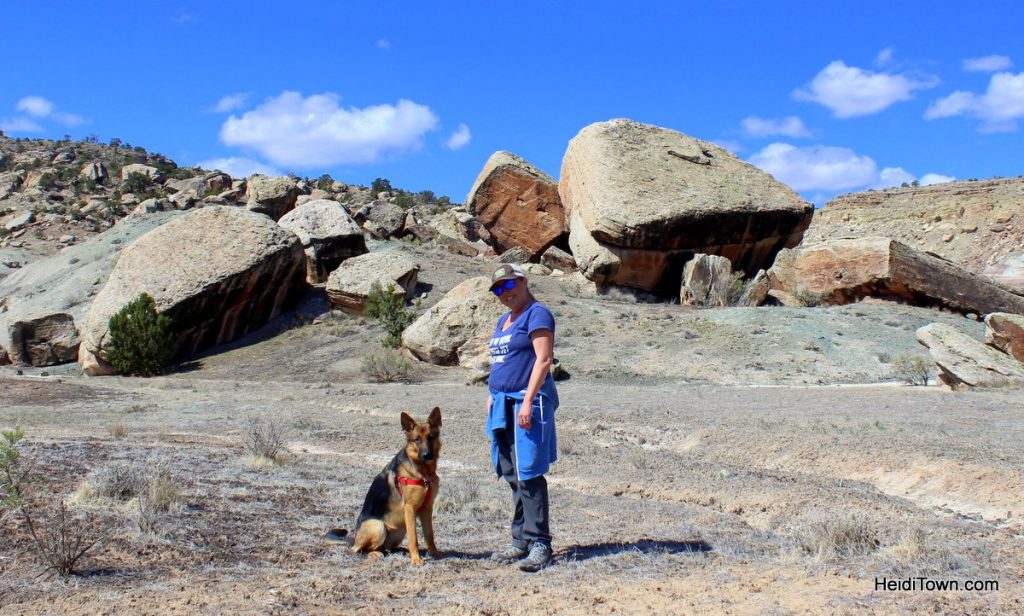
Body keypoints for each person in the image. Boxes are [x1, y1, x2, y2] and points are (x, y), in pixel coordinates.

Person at [485, 263, 559, 572]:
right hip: (502, 405)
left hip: (525, 404)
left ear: (524, 281)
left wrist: (527, 401)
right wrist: (491, 396)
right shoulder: (504, 319)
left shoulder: (536, 313)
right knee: (512, 473)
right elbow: (501, 361)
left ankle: (539, 543)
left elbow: (543, 359)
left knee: (528, 472)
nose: (505, 292)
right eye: (498, 289)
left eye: (509, 284)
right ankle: (520, 541)